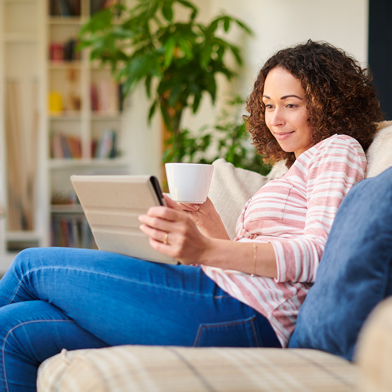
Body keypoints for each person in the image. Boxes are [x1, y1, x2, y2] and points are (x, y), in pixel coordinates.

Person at [0, 40, 383, 391]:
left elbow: (318, 254)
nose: (275, 119)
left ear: (328, 103)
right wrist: (208, 223)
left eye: (291, 104)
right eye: (268, 105)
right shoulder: (290, 169)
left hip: (246, 313)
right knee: (13, 330)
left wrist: (205, 251)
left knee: (32, 264)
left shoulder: (337, 149)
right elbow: (257, 258)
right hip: (231, 301)